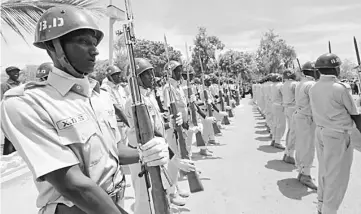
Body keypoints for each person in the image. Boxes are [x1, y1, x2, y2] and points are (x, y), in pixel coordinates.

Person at [0, 6, 169, 214]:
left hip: (114, 203)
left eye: (94, 42)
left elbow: (114, 151)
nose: (95, 49)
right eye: (83, 41)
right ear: (54, 46)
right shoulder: (28, 103)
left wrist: (144, 153)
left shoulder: (99, 96)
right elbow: (72, 184)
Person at [124, 58, 196, 212]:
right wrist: (174, 159)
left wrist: (169, 122)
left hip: (156, 149)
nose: (152, 77)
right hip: (143, 154)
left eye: (152, 73)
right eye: (147, 74)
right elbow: (149, 131)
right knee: (144, 198)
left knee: (159, 191)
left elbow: (157, 125)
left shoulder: (148, 96)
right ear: (137, 79)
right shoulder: (134, 101)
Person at [310, 53, 361, 214]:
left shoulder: (313, 87)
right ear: (335, 68)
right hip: (338, 135)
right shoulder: (340, 88)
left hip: (321, 132)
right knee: (337, 177)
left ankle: (321, 204)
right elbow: (354, 114)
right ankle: (329, 210)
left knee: (325, 171)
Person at [293, 61, 318, 191]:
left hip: (300, 115)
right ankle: (306, 175)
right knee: (308, 147)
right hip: (307, 117)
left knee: (302, 145)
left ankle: (302, 170)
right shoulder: (311, 85)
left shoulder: (301, 83)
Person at [1, 66, 21, 155]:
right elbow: (3, 100)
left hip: (20, 112)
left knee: (19, 135)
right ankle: (7, 156)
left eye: (17, 72)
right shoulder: (5, 85)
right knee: (10, 136)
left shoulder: (20, 84)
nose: (16, 74)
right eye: (13, 72)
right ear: (9, 74)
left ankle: (17, 154)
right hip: (10, 112)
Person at [281, 70, 298, 164]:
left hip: (287, 108)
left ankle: (287, 152)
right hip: (293, 108)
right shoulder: (294, 84)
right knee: (294, 132)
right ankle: (290, 154)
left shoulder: (284, 84)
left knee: (290, 130)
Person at [270, 73, 286, 149]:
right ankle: (278, 142)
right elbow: (285, 95)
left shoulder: (272, 86)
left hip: (273, 105)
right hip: (280, 105)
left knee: (275, 123)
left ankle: (274, 139)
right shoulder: (281, 85)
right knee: (281, 124)